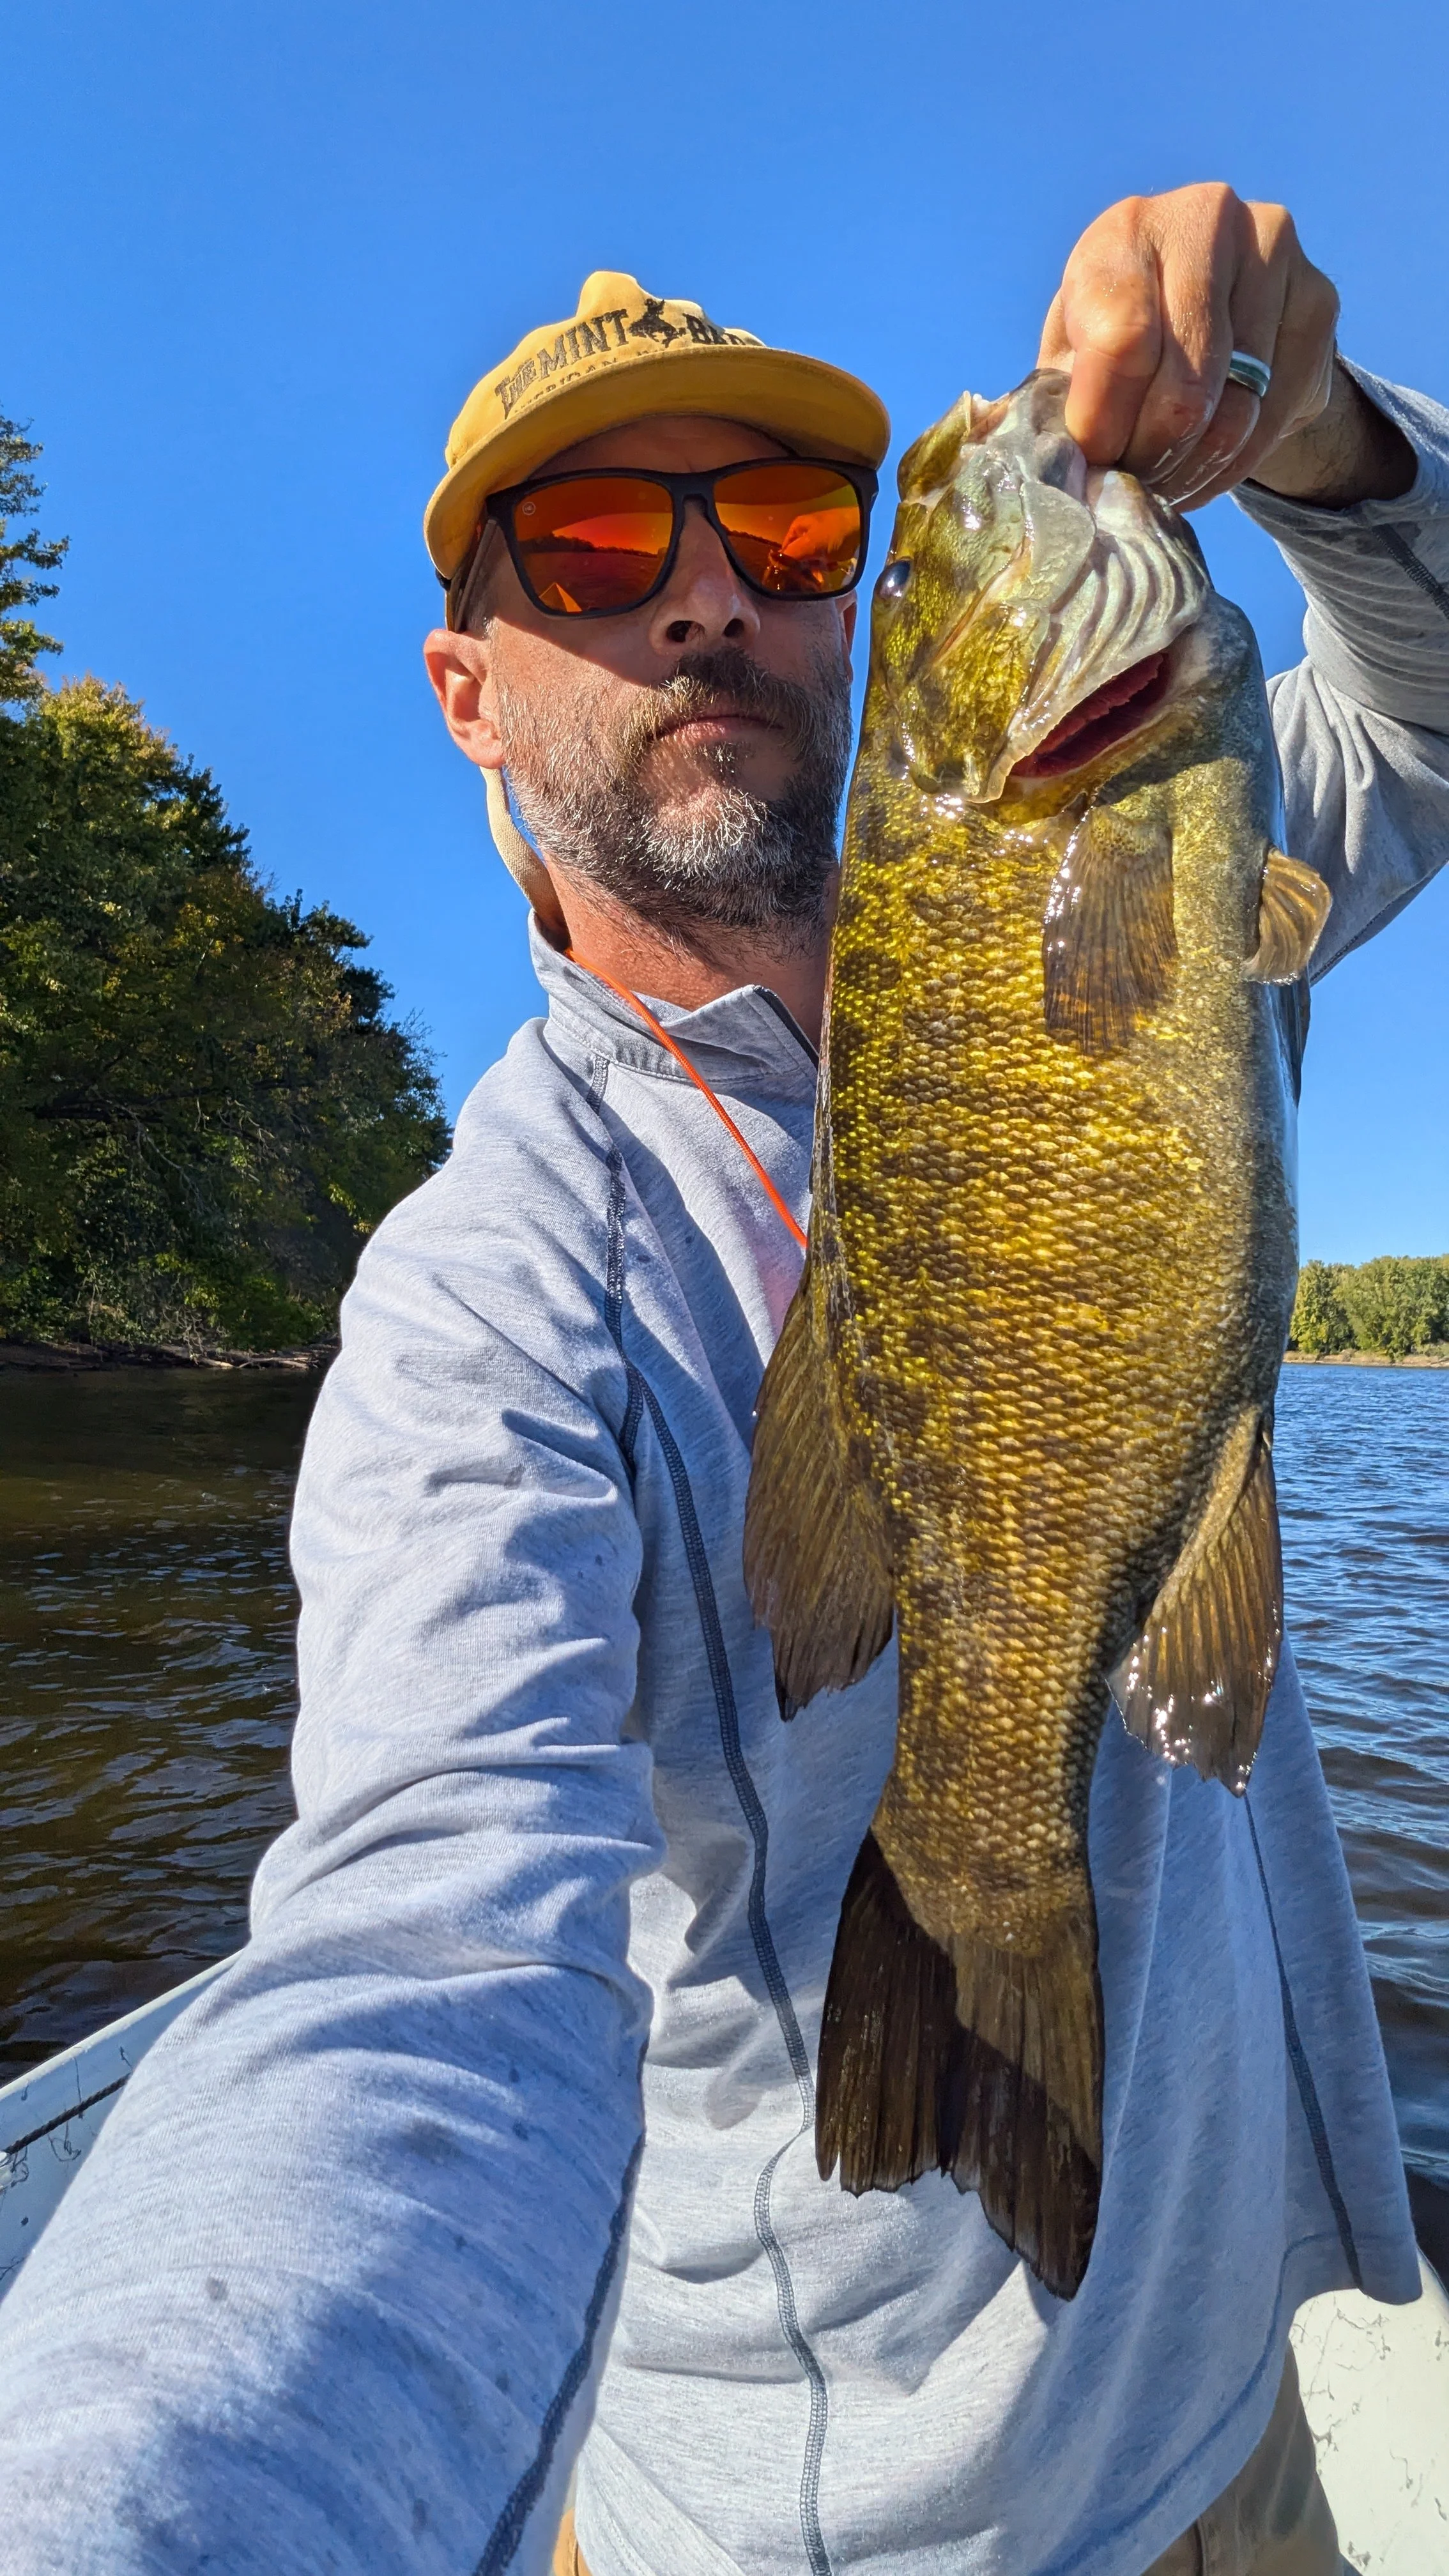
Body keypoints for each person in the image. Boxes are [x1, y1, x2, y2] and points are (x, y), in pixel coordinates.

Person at [0, 185, 1443, 2576]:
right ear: (467, 688)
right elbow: (435, 1931)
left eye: (783, 528)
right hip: (826, 2534)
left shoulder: (1149, 859)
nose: (706, 595)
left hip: (1231, 2424)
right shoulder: (490, 1296)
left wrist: (1325, 446)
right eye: (585, 544)